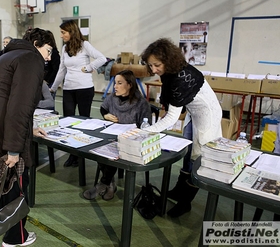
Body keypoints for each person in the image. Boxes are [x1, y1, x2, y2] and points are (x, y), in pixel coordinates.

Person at [0, 28, 54, 247]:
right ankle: (15, 238)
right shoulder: (31, 59)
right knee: (15, 187)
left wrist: (30, 129)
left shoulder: (7, 56)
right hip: (6, 136)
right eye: (48, 51)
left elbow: (7, 100)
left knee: (1, 183)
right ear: (37, 43)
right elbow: (19, 106)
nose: (48, 58)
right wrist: (13, 149)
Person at [140, 38, 222, 217]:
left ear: (167, 60)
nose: (153, 70)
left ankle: (185, 203)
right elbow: (170, 101)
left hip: (208, 116)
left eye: (157, 65)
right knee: (188, 153)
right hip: (195, 113)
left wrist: (145, 131)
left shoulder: (181, 77)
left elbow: (171, 118)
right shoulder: (170, 70)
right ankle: (178, 191)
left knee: (197, 159)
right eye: (150, 65)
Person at [83, 70, 151, 200]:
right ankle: (110, 184)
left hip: (130, 141)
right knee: (97, 148)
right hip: (111, 134)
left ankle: (102, 184)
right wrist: (106, 115)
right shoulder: (113, 97)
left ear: (130, 85)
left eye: (119, 83)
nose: (115, 86)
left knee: (113, 153)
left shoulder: (141, 103)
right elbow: (103, 108)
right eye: (115, 83)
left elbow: (146, 127)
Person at [50, 19, 106, 167]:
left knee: (83, 122)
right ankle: (72, 155)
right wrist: (53, 88)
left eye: (63, 32)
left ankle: (82, 153)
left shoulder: (84, 45)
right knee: (68, 122)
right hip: (68, 89)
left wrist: (89, 67)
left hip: (84, 89)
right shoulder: (64, 48)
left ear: (71, 31)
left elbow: (102, 58)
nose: (61, 35)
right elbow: (62, 69)